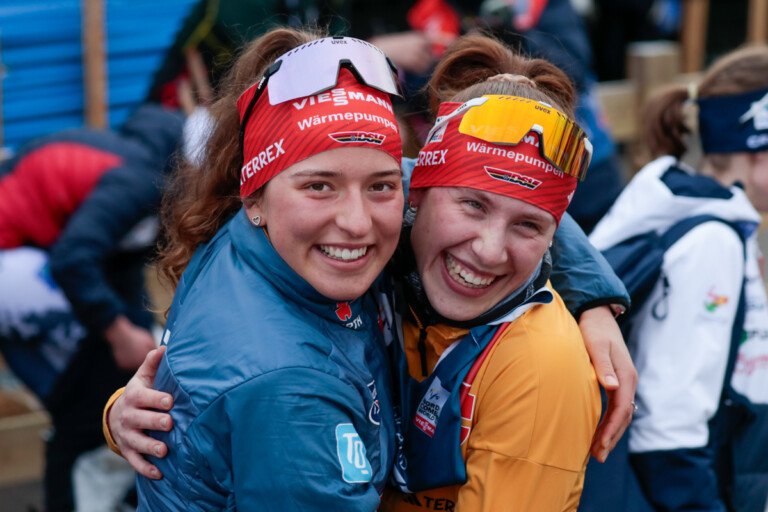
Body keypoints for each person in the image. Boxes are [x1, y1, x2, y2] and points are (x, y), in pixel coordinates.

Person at [382, 34, 603, 510]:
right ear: (416, 193)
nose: (488, 251)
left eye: (528, 225)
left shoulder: (542, 368)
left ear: (552, 238)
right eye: (472, 205)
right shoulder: (363, 269)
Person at [589, 45, 768, 511]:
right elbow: (669, 423)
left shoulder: (696, 215)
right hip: (691, 487)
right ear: (757, 148)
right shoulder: (711, 241)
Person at [0, 103, 184, 511]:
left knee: (100, 366)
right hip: (16, 263)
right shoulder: (140, 181)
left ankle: (75, 435)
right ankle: (76, 453)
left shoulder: (140, 173)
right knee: (92, 371)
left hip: (27, 259)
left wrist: (142, 333)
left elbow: (120, 271)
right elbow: (73, 259)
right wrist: (119, 332)